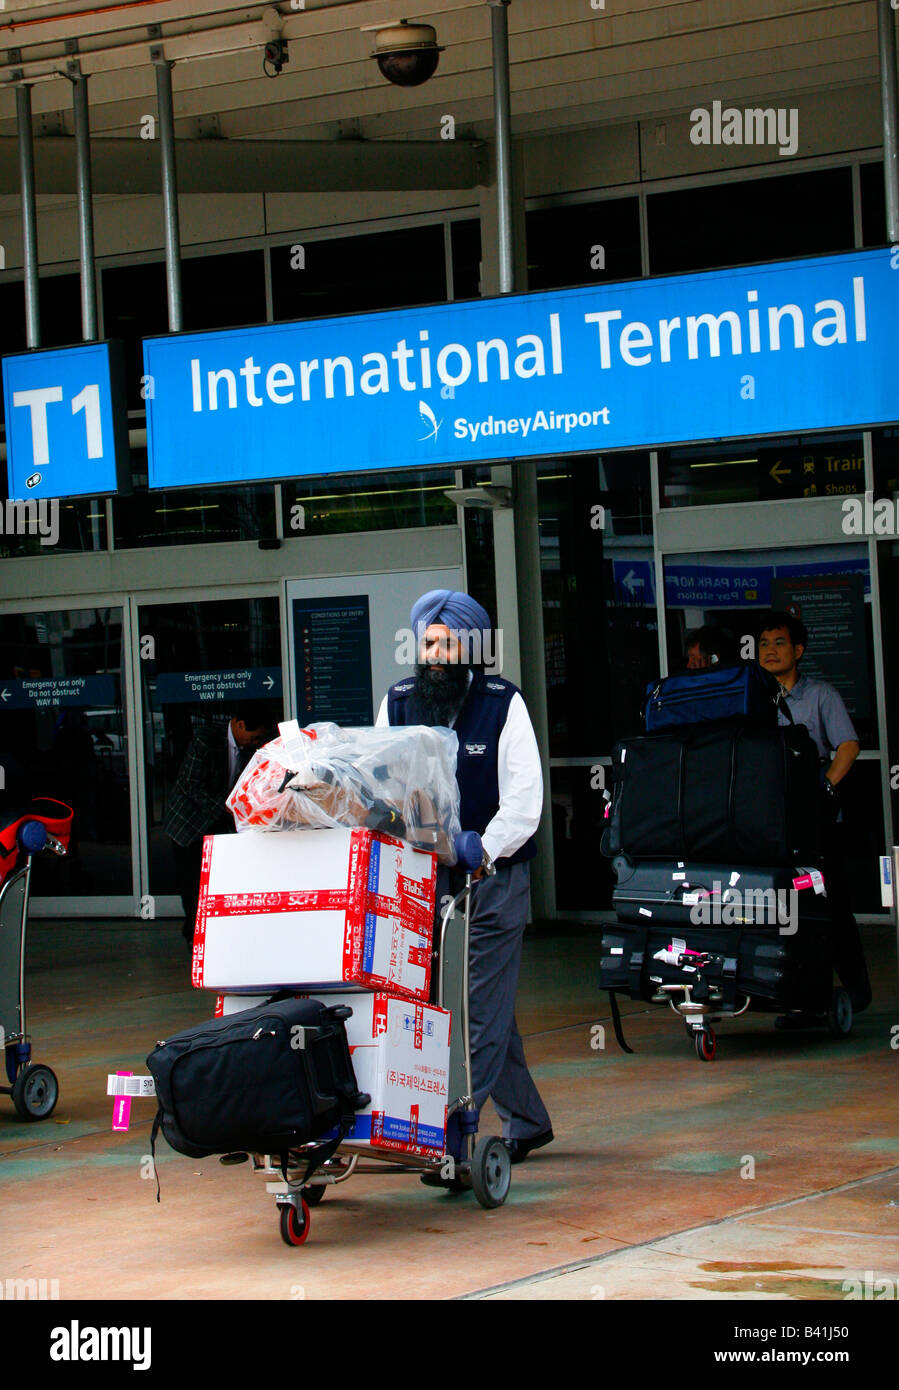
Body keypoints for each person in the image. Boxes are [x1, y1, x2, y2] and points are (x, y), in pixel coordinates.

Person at [376, 589, 553, 1169]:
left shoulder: (504, 704)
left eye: (447, 643)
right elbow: (380, 786)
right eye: (427, 642)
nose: (434, 654)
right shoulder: (399, 703)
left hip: (493, 882)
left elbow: (526, 799)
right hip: (423, 885)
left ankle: (456, 1134)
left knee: (475, 1008)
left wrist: (484, 849)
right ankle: (527, 1120)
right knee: (458, 1003)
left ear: (470, 646)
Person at [757, 609, 872, 1016]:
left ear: (799, 650)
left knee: (834, 908)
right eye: (764, 643)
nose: (770, 651)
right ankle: (803, 1000)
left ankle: (856, 992)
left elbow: (848, 747)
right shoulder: (753, 700)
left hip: (819, 822)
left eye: (780, 642)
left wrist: (824, 787)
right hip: (773, 825)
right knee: (789, 913)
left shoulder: (821, 695)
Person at [164, 701, 272, 945]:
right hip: (189, 823)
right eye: (253, 737)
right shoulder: (206, 740)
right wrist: (228, 806)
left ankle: (214, 933)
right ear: (239, 724)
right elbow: (191, 784)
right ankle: (195, 936)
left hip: (218, 822)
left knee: (219, 879)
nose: (255, 743)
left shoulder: (250, 750)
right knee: (193, 883)